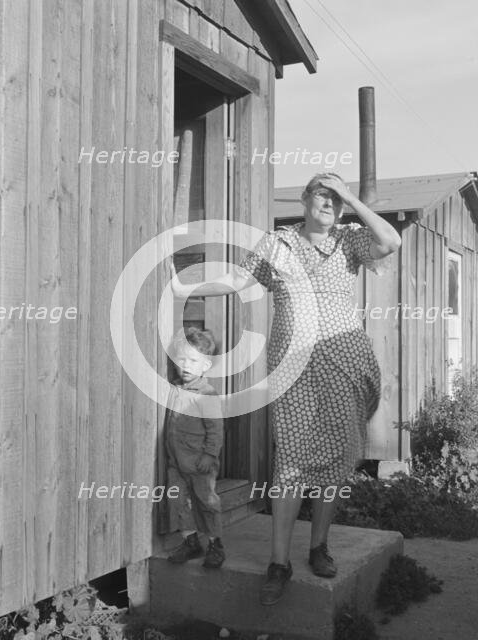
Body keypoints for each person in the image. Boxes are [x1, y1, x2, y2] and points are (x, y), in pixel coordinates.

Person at [169, 173, 401, 604]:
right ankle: (279, 561)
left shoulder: (350, 239)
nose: (329, 203)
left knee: (337, 455)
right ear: (305, 198)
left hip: (343, 362)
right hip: (293, 366)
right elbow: (239, 281)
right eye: (321, 194)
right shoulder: (279, 244)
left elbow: (390, 242)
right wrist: (186, 284)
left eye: (336, 197)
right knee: (292, 460)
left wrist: (351, 195)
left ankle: (318, 546)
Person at [164, 327, 226, 569]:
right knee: (177, 501)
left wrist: (210, 454)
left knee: (206, 501)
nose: (186, 366)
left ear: (205, 366)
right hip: (176, 462)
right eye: (182, 359)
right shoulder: (176, 388)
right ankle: (190, 542)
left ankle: (215, 544)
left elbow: (215, 428)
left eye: (193, 360)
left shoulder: (206, 394)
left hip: (200, 462)